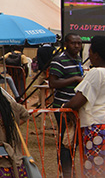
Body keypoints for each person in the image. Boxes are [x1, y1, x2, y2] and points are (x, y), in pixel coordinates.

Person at [65, 35, 105, 177]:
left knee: (95, 171)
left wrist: (66, 105)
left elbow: (77, 102)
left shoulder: (96, 73)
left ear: (95, 54)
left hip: (97, 128)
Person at [49, 32, 85, 178]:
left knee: (74, 141)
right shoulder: (59, 60)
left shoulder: (78, 59)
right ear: (66, 44)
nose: (77, 46)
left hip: (76, 104)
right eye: (73, 43)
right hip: (63, 106)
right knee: (66, 141)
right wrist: (74, 79)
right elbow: (53, 83)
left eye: (79, 43)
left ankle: (69, 169)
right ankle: (66, 172)